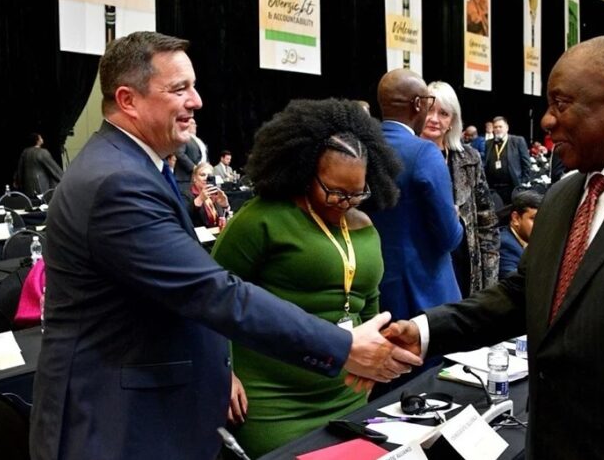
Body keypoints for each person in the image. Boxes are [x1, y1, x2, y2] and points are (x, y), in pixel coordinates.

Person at [30, 32, 421, 460]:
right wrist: (344, 347)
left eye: (193, 86)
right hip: (114, 422)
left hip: (146, 411)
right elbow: (214, 292)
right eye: (179, 89)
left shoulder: (136, 167)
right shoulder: (117, 182)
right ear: (128, 100)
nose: (196, 100)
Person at [384, 35, 604, 459]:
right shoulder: (563, 195)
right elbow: (523, 293)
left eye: (561, 103)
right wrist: (424, 330)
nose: (548, 121)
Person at [211, 98, 401, 457]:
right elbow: (212, 298)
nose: (344, 202)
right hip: (271, 400)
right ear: (304, 170)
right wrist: (223, 374)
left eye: (356, 193)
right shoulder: (262, 218)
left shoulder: (365, 227)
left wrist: (375, 365)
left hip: (347, 393)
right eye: (333, 190)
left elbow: (372, 306)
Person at [369, 69, 463, 322]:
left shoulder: (361, 147)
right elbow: (448, 238)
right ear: (418, 105)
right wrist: (456, 219)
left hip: (372, 289)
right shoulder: (424, 153)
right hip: (423, 292)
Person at [421, 81, 499, 297]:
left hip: (463, 264)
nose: (435, 119)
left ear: (452, 121)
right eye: (429, 110)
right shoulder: (404, 156)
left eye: (444, 113)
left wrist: (489, 283)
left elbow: (487, 221)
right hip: (422, 265)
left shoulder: (469, 158)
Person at [484, 116, 531, 204]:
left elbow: (526, 163)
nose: (497, 129)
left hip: (513, 187)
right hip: (494, 188)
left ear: (507, 128)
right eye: (495, 127)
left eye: (500, 126)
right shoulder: (488, 143)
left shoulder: (518, 141)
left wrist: (523, 182)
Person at [498, 190, 542, 277]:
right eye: (534, 219)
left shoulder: (533, 241)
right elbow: (515, 283)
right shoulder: (505, 244)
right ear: (516, 218)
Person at [15, 132, 64, 199]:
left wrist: (19, 182)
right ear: (37, 140)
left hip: (27, 188)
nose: (42, 139)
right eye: (40, 137)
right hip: (41, 186)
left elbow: (19, 170)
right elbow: (54, 169)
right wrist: (65, 179)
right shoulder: (42, 152)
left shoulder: (25, 152)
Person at [183, 162, 230, 228]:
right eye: (202, 175)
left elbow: (223, 218)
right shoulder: (186, 194)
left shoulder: (215, 193)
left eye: (209, 176)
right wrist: (200, 199)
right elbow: (185, 217)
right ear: (194, 178)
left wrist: (225, 206)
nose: (206, 178)